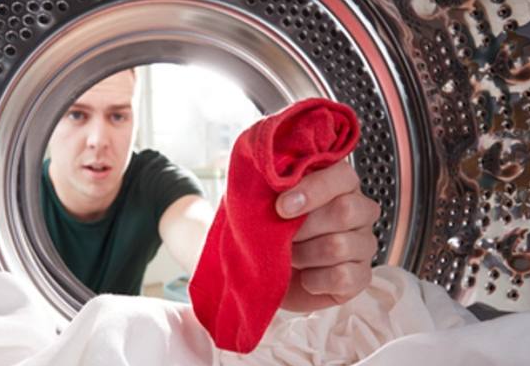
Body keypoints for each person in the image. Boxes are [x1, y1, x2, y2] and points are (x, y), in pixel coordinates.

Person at [41, 68, 381, 310]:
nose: (99, 140)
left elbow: (198, 233)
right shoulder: (7, 197)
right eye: (76, 115)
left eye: (118, 117)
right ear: (48, 121)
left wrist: (258, 269)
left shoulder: (155, 180)